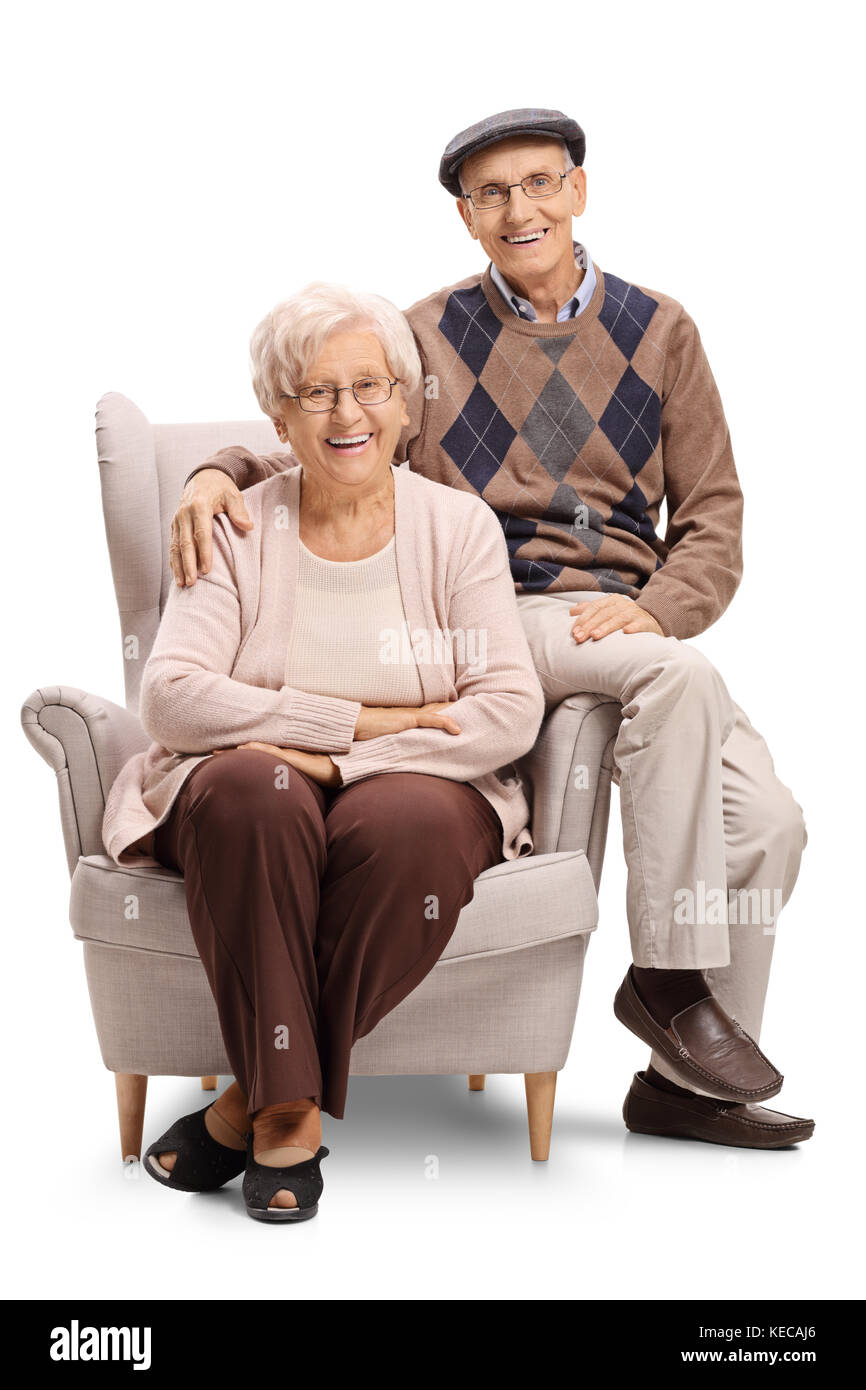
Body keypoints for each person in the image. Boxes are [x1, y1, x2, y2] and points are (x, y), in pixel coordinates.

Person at [170, 108, 813, 1150]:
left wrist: (653, 608)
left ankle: (679, 1083)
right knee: (674, 678)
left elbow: (713, 519)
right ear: (465, 216)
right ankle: (663, 981)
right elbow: (328, 421)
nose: (520, 209)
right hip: (493, 606)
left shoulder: (661, 330)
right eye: (492, 194)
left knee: (769, 823)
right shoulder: (426, 333)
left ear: (579, 191)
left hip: (622, 619)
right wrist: (213, 470)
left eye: (539, 183)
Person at [102, 282, 546, 1221]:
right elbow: (174, 697)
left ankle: (257, 1105)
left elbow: (507, 710)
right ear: (280, 415)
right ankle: (288, 1110)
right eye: (318, 393)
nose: (348, 414)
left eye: (371, 387)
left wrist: (348, 771)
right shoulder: (235, 524)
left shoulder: (456, 528)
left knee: (416, 820)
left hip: (417, 789)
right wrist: (360, 726)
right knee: (256, 788)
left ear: (404, 400)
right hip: (252, 784)